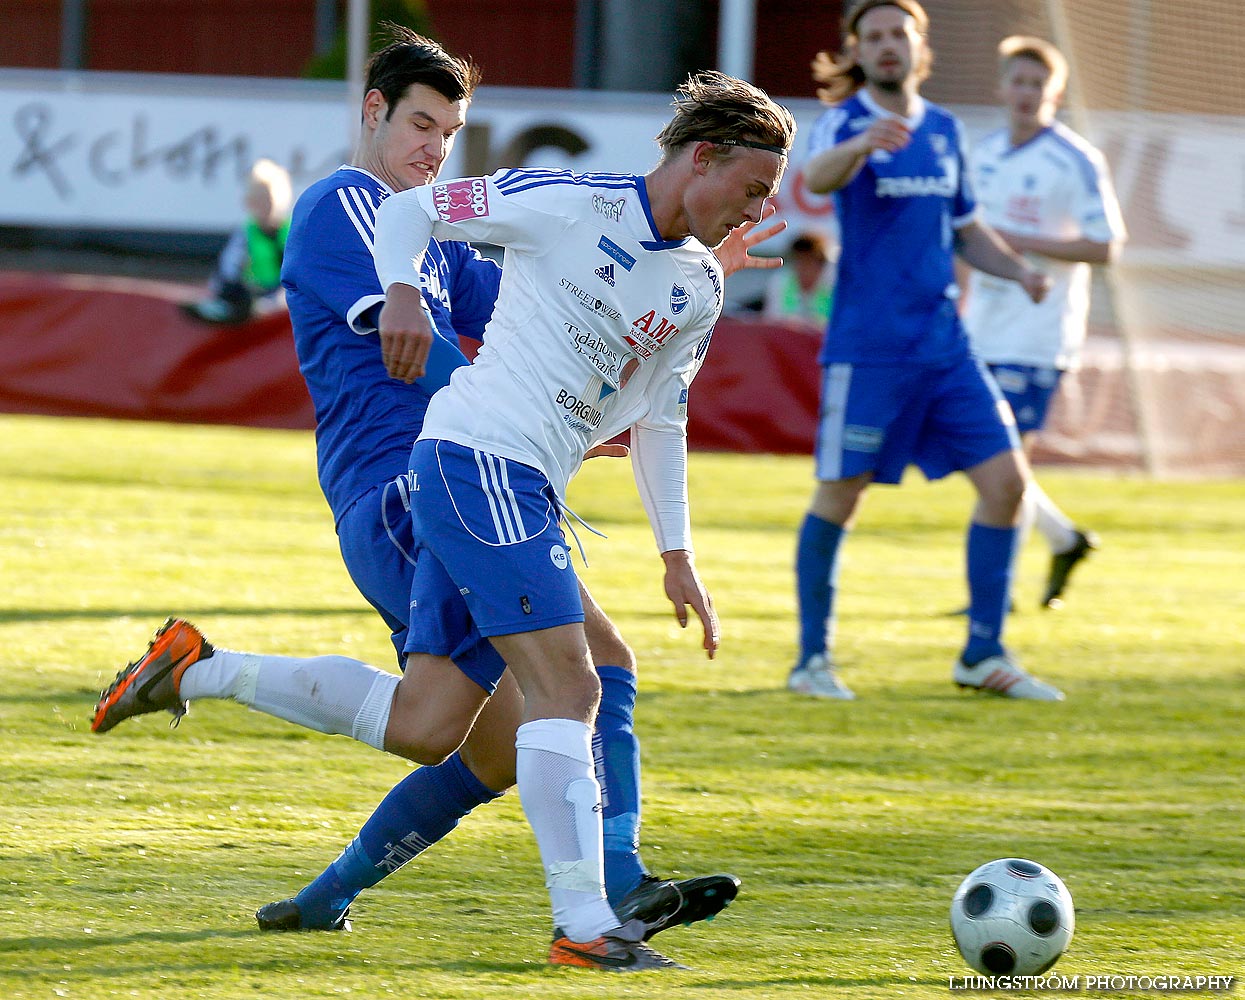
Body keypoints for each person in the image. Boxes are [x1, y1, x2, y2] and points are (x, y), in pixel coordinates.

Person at [91, 31, 788, 970]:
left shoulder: (472, 237)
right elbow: (426, 355)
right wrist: (502, 404)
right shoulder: (346, 204)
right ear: (372, 112)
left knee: (465, 734)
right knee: (577, 679)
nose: (433, 148)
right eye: (420, 123)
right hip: (404, 482)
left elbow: (558, 303)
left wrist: (670, 281)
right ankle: (602, 900)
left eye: (451, 133)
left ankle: (259, 780)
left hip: (468, 468)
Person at [365, 69, 793, 969]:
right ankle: (589, 919)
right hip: (477, 457)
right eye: (750, 189)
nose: (753, 212)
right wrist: (402, 289)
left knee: (429, 716)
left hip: (523, 482)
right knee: (576, 685)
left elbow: (661, 418)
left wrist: (677, 553)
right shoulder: (563, 202)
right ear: (701, 156)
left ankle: (210, 674)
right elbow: (410, 214)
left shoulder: (698, 290)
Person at [788, 0, 1065, 702]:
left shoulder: (943, 130)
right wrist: (858, 149)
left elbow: (967, 228)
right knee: (840, 496)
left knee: (1007, 487)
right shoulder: (847, 122)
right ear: (858, 50)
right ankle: (810, 661)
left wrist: (1022, 271)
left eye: (897, 34)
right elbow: (815, 181)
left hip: (945, 348)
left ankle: (982, 652)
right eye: (872, 37)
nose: (886, 47)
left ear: (918, 46)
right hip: (869, 351)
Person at [962, 35, 1126, 608]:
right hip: (981, 324)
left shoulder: (1075, 159)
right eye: (1020, 81)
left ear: (1054, 93)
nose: (1028, 93)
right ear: (1003, 87)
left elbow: (1107, 246)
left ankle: (997, 592)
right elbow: (967, 237)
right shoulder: (982, 155)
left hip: (1037, 332)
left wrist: (1023, 244)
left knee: (1004, 461)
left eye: (1040, 85)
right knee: (985, 458)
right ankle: (1062, 539)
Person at [182, 158, 292, 324]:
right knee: (238, 300)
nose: (266, 206)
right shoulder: (246, 233)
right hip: (252, 296)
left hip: (280, 300)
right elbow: (228, 271)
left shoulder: (292, 232)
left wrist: (276, 301)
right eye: (260, 200)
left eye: (270, 199)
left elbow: (298, 274)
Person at [762, 228, 836, 327]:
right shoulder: (780, 281)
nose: (803, 267)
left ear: (821, 263)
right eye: (799, 260)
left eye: (809, 261)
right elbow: (771, 321)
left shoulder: (836, 284)